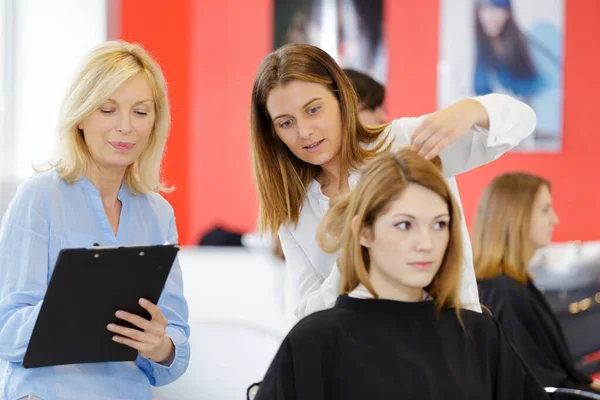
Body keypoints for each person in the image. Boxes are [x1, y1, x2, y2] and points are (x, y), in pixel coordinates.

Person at [250, 43, 536, 319]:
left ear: (341, 99)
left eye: (313, 110)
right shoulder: (294, 208)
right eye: (286, 123)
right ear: (272, 132)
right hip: (360, 359)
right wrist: (350, 267)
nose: (304, 132)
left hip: (446, 345)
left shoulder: (403, 143)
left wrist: (469, 111)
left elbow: (523, 120)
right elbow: (305, 315)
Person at [254, 148, 549, 400]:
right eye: (405, 225)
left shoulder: (478, 334)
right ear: (364, 231)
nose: (426, 244)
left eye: (439, 224)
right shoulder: (315, 340)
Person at [0, 41, 190, 400]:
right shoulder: (39, 197)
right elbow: (5, 329)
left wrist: (160, 345)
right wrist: (69, 306)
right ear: (82, 116)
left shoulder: (158, 213)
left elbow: (176, 348)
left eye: (140, 112)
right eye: (107, 109)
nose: (125, 127)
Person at [474, 172, 600, 394]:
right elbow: (538, 384)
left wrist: (586, 386)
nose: (555, 219)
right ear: (515, 215)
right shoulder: (505, 294)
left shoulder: (516, 284)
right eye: (545, 210)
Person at [474, 0, 562, 150]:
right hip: (510, 133)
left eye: (496, 9)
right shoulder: (484, 52)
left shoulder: (531, 42)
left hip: (541, 127)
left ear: (507, 12)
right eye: (484, 9)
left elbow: (546, 86)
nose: (489, 16)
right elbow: (480, 90)